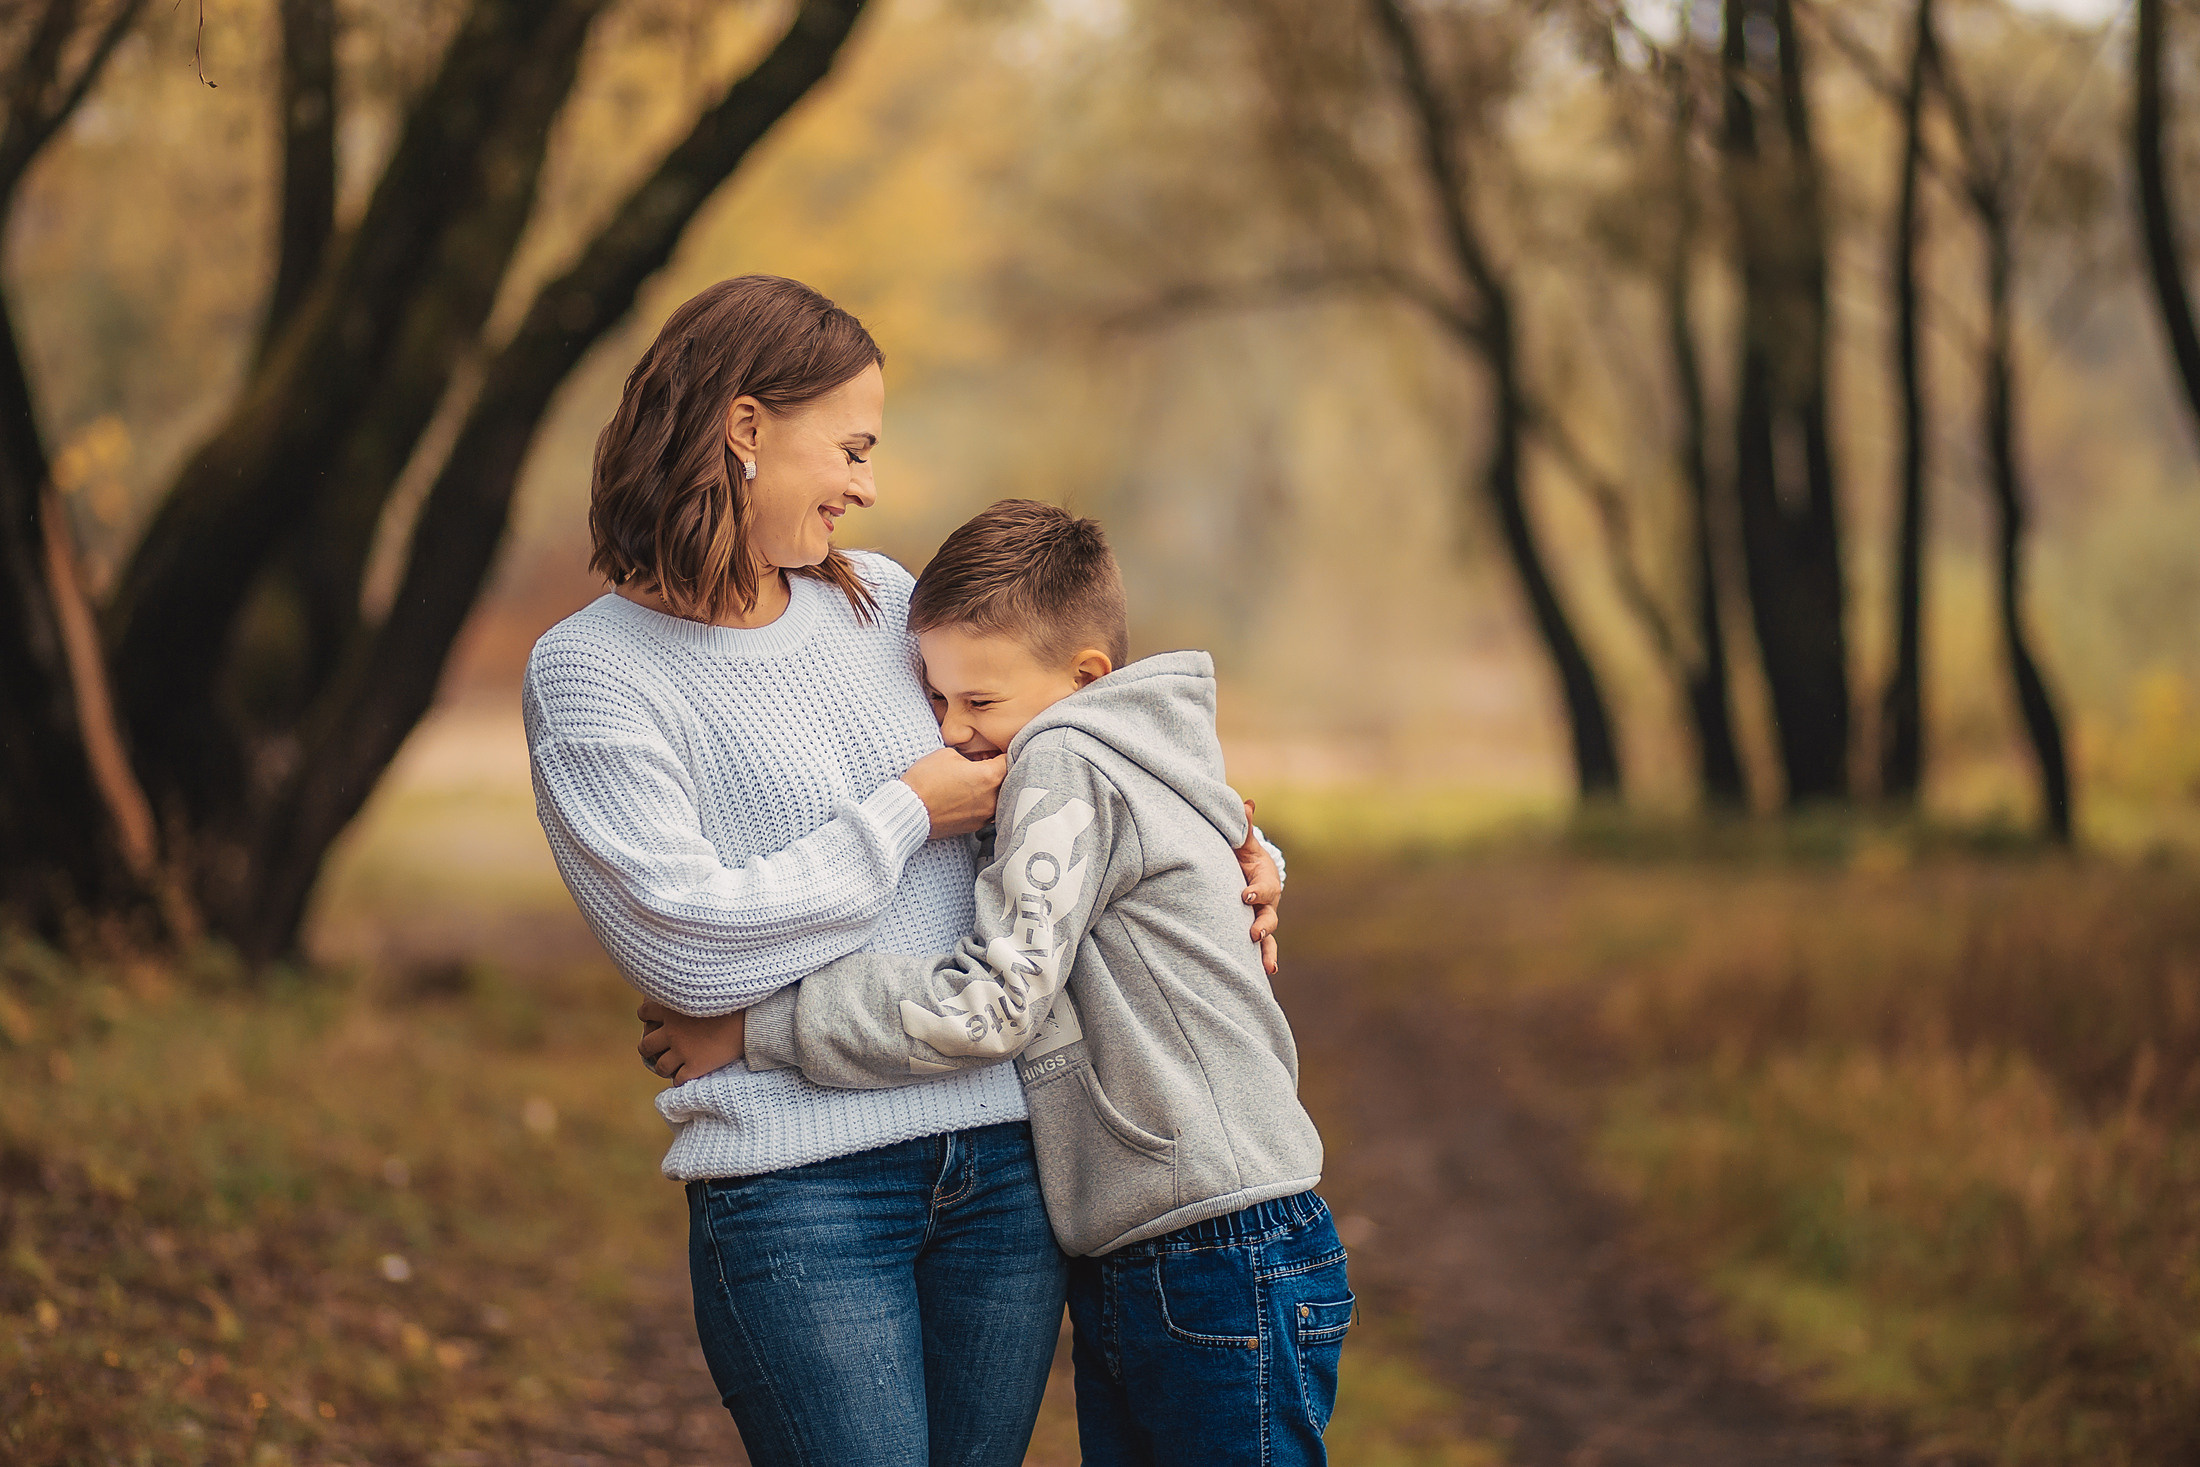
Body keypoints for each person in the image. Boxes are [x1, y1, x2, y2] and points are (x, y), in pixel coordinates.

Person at [522, 278, 1282, 1467]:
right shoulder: (591, 674)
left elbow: (1079, 752)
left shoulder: (883, 602)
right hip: (796, 1183)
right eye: (854, 446)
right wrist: (902, 814)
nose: (868, 486)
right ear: (745, 427)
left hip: (1005, 1161)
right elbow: (681, 945)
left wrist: (1235, 849)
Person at [641, 499, 1348, 1466]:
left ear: (1083, 678)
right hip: (1191, 1230)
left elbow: (993, 1002)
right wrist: (1258, 853)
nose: (953, 734)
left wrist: (760, 1026)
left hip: (1209, 1243)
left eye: (979, 704)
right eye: (936, 702)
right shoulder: (1137, 740)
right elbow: (1206, 845)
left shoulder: (1061, 760)